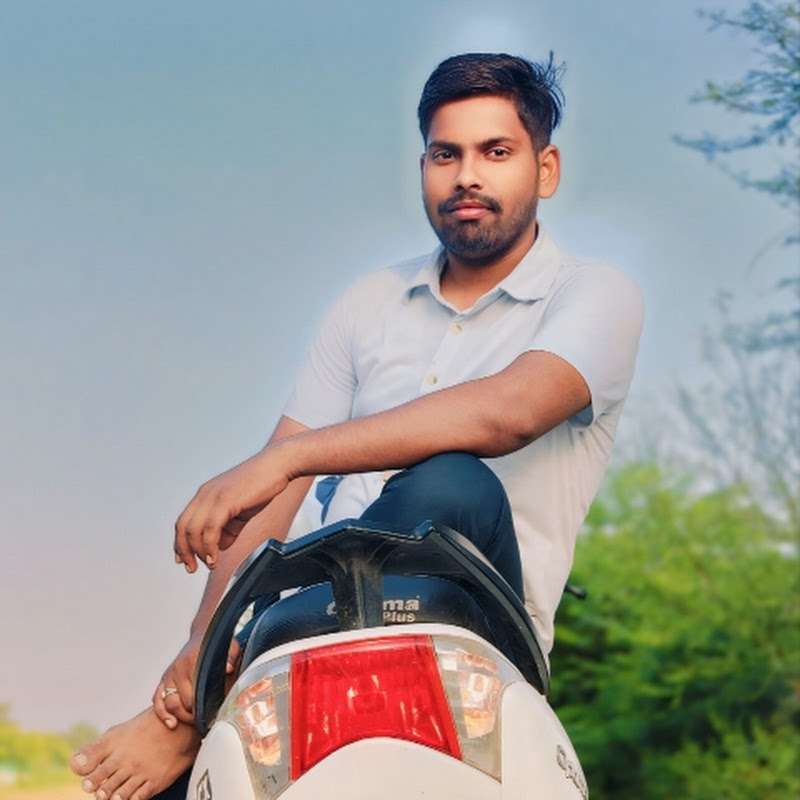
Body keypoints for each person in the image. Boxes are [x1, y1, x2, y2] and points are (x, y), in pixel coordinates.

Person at [71, 52, 644, 800]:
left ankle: (245, 666)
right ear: (424, 166)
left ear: (546, 169)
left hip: (468, 619)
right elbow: (271, 497)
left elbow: (511, 412)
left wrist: (289, 459)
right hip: (300, 621)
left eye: (495, 152)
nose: (466, 175)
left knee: (451, 483)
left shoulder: (596, 293)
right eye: (446, 154)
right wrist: (198, 655)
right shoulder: (368, 301)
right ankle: (212, 697)